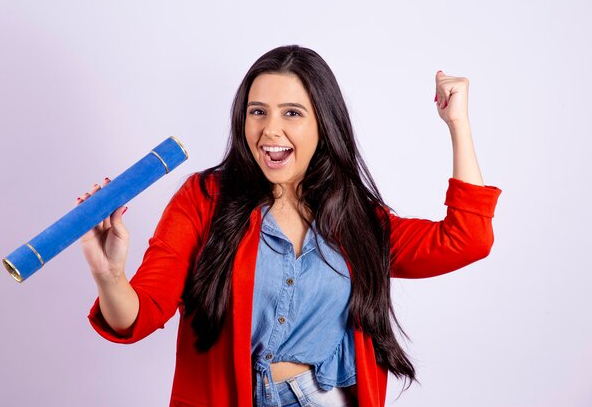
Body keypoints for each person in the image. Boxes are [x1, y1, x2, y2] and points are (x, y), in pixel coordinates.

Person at [77, 45, 501, 407]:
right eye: (257, 112)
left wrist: (458, 125)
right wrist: (108, 274)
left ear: (323, 123)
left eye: (292, 113)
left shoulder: (356, 218)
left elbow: (466, 239)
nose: (269, 130)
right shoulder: (203, 199)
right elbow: (139, 315)